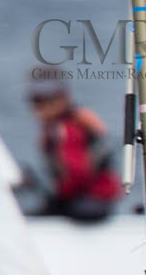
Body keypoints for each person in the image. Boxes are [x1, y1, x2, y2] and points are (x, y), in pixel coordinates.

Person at [28, 82, 123, 222]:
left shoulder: (66, 130)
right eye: (37, 103)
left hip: (91, 199)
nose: (39, 109)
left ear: (61, 101)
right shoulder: (64, 125)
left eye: (43, 103)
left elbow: (77, 173)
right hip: (97, 198)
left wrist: (58, 196)